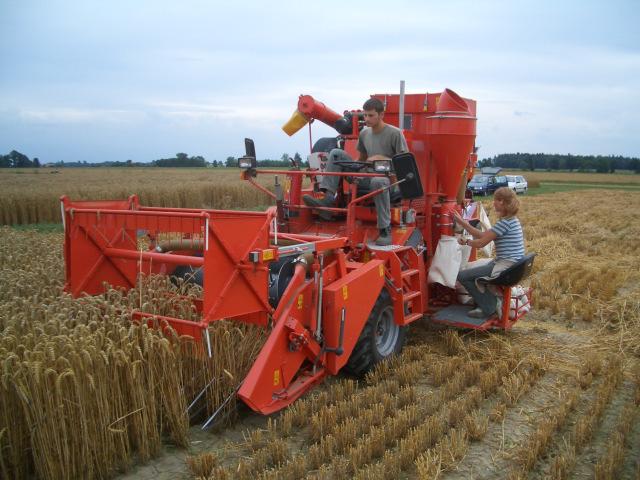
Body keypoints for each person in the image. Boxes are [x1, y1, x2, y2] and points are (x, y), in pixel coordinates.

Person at [303, 97, 408, 246]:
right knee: (335, 153)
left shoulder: (395, 134)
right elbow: (361, 159)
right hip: (365, 174)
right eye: (365, 115)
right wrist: (355, 169)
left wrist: (383, 158)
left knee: (378, 181)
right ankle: (327, 201)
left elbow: (404, 163)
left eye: (371, 115)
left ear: (381, 115)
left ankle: (385, 230)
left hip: (388, 181)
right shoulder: (365, 134)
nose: (367, 119)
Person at [452, 187, 525, 318]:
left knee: (462, 276)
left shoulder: (504, 223)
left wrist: (465, 242)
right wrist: (463, 223)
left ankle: (489, 305)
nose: (493, 203)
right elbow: (483, 235)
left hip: (506, 266)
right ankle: (487, 301)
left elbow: (481, 243)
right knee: (476, 271)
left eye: (495, 200)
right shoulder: (512, 220)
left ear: (501, 201)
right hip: (513, 264)